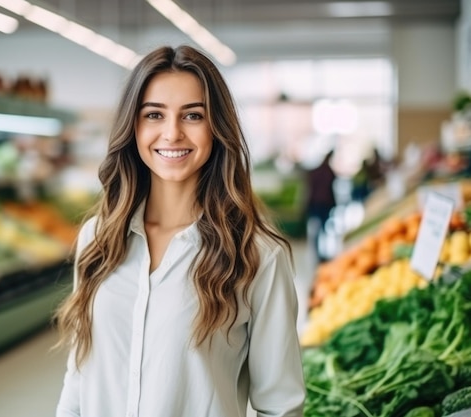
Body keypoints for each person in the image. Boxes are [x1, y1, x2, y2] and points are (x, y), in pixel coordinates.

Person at [55, 45, 305, 417]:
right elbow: (80, 376)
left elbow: (280, 405)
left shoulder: (257, 254)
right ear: (133, 126)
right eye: (154, 114)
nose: (172, 133)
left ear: (216, 127)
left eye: (192, 116)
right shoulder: (98, 238)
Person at [304, 150, 336, 262]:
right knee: (322, 229)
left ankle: (319, 253)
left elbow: (309, 188)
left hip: (316, 203)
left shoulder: (316, 172)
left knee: (318, 229)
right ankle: (321, 253)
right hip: (324, 203)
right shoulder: (329, 172)